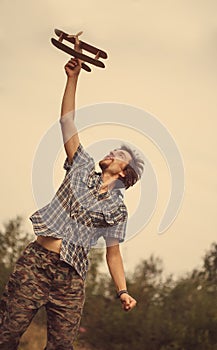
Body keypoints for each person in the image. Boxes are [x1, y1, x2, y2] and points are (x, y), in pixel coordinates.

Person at [0, 40, 144, 350]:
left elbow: (113, 253)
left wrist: (123, 291)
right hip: (37, 263)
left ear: (123, 173)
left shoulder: (118, 211)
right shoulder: (81, 166)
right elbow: (67, 122)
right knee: (6, 334)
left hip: (71, 279)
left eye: (120, 154)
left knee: (62, 348)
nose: (112, 152)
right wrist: (72, 78)